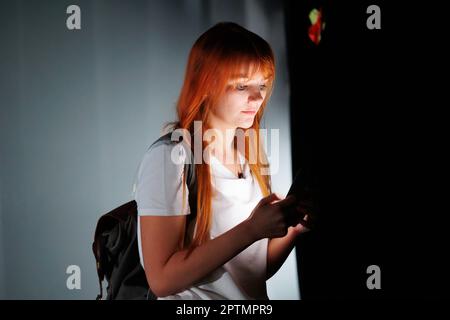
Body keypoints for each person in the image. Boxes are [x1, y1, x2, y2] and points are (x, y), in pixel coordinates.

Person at [133, 22, 309, 300]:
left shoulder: (249, 156)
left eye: (262, 85)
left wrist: (295, 226)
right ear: (205, 84)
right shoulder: (171, 158)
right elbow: (162, 280)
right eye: (241, 85)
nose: (257, 96)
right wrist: (252, 229)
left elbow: (250, 271)